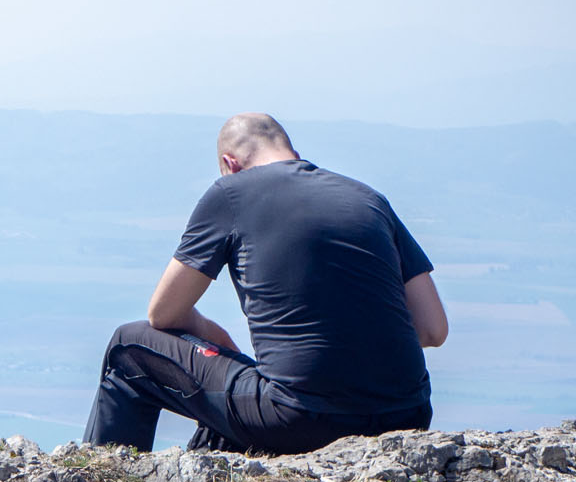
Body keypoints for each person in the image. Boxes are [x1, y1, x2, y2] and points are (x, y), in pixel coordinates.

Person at [84, 112, 448, 455]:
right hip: (408, 415)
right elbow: (433, 329)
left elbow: (163, 313)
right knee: (245, 386)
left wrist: (210, 333)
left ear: (230, 164)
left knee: (127, 345)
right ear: (295, 155)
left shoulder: (231, 192)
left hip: (299, 417)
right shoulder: (370, 200)